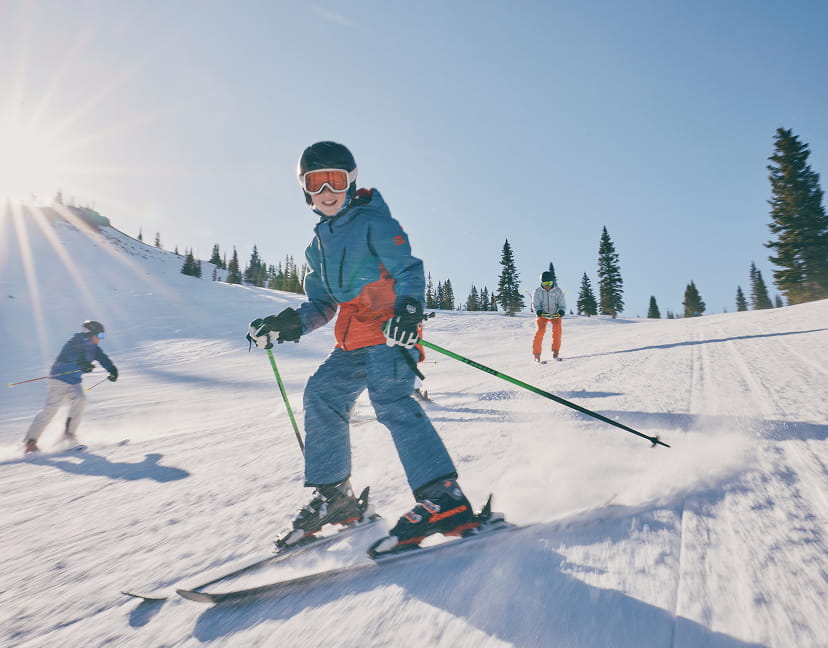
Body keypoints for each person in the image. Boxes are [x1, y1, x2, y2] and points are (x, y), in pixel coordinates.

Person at [248, 141, 475, 554]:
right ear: (305, 189)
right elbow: (322, 305)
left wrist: (408, 311)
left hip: (391, 332)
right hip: (353, 341)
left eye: (334, 181)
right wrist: (286, 325)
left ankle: (444, 498)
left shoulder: (374, 222)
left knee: (390, 399)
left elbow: (409, 270)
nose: (326, 191)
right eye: (316, 183)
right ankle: (336, 497)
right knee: (322, 393)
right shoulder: (317, 245)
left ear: (350, 183)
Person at [23, 320, 118, 453]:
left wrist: (112, 370)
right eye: (100, 335)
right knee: (51, 410)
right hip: (58, 379)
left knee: (81, 400)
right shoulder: (73, 342)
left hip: (74, 381)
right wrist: (82, 362)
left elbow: (104, 359)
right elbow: (72, 355)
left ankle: (68, 435)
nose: (101, 339)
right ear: (90, 333)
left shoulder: (94, 349)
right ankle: (30, 442)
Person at [532, 271, 566, 362]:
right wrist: (540, 312)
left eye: (549, 283)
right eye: (545, 284)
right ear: (541, 283)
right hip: (543, 315)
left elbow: (562, 305)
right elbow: (536, 305)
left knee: (557, 330)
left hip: (555, 314)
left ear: (552, 282)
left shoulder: (558, 291)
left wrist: (560, 313)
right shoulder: (538, 292)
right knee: (540, 331)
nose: (547, 286)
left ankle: (555, 352)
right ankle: (537, 355)